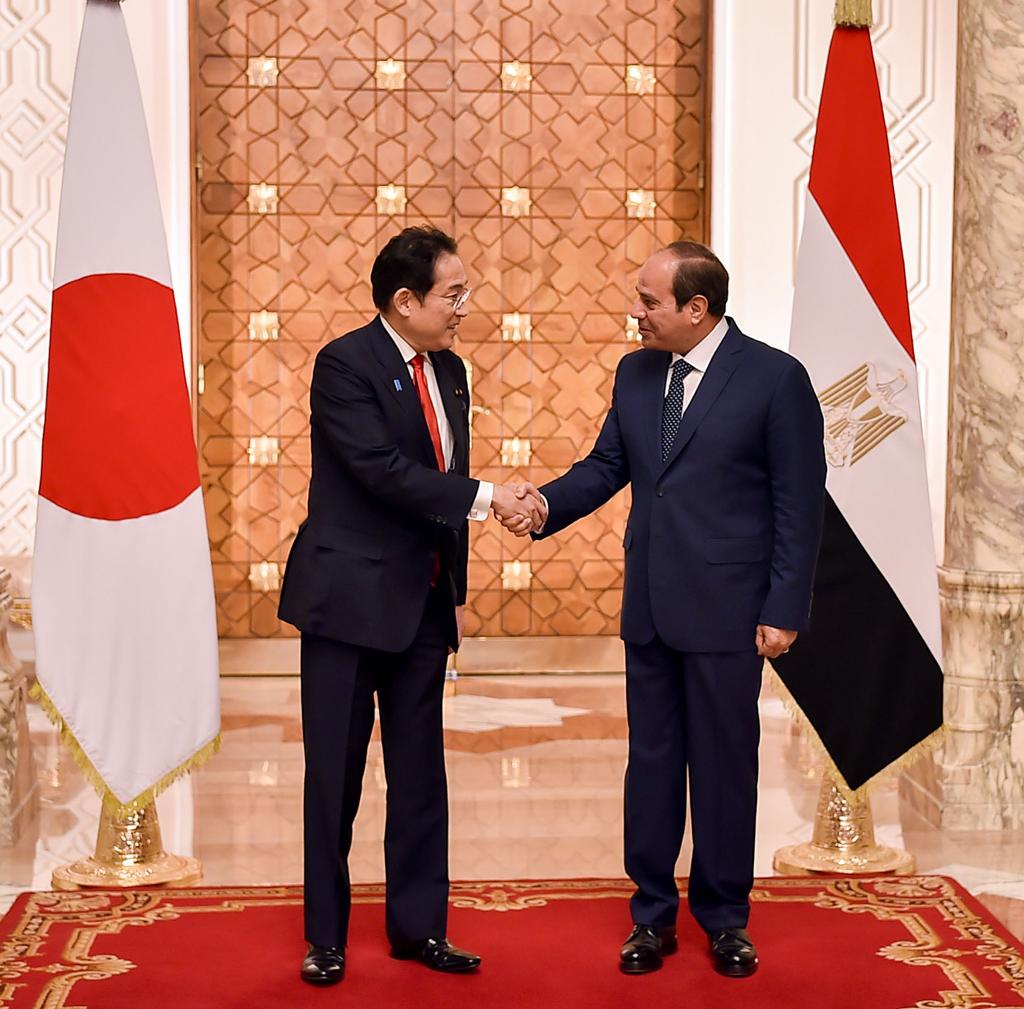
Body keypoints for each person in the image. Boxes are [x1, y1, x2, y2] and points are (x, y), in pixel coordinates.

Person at [514, 241, 825, 977]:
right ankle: (650, 914)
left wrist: (784, 606)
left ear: (697, 307)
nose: (637, 312)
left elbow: (799, 503)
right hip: (650, 606)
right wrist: (544, 505)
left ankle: (725, 917)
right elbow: (607, 466)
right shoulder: (637, 372)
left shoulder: (776, 379)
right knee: (651, 764)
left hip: (730, 609)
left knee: (724, 766)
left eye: (649, 301)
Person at [279, 226, 542, 986]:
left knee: (422, 774)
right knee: (335, 776)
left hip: (423, 602)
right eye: (454, 294)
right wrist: (492, 497)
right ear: (404, 300)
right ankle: (326, 936)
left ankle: (421, 928)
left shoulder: (451, 370)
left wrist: (457, 576)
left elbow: (439, 484)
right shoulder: (345, 364)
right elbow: (382, 470)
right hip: (347, 603)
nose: (465, 306)